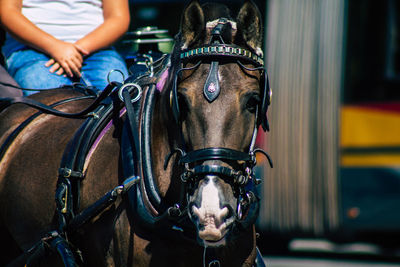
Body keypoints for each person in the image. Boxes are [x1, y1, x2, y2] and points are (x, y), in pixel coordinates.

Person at [0, 0, 130, 96]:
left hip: (97, 50)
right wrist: (55, 47)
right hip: (31, 49)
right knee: (52, 101)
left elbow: (118, 17)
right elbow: (8, 12)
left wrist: (76, 51)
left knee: (121, 99)